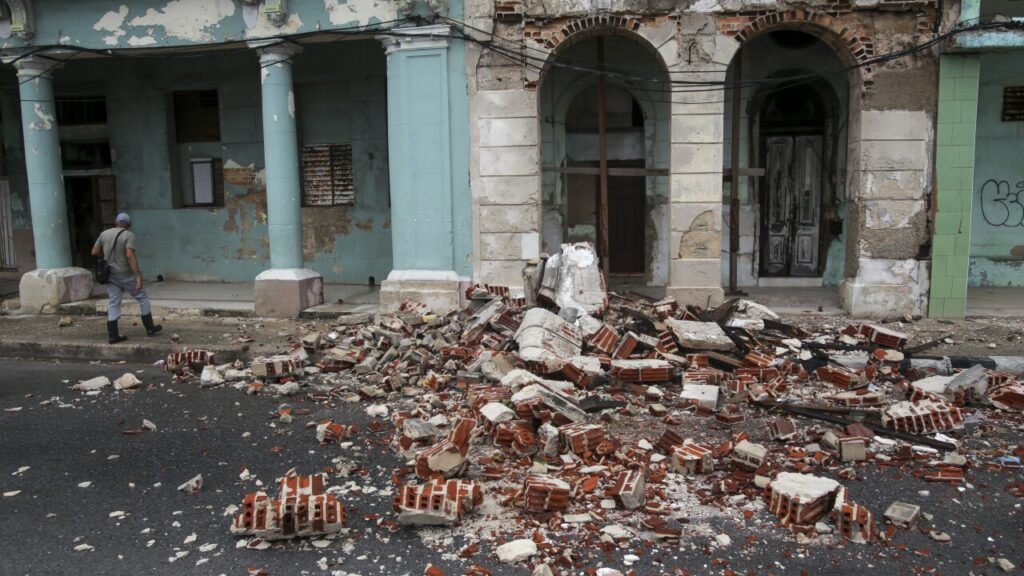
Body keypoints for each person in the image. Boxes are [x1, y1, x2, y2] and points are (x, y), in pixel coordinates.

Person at [91, 213, 162, 344]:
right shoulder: (129, 235)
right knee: (143, 297)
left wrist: (106, 256)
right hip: (125, 274)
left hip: (110, 275)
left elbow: (94, 252)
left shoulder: (104, 234)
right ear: (129, 224)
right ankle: (150, 328)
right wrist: (138, 275)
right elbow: (130, 255)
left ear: (115, 222)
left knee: (113, 303)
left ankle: (113, 335)